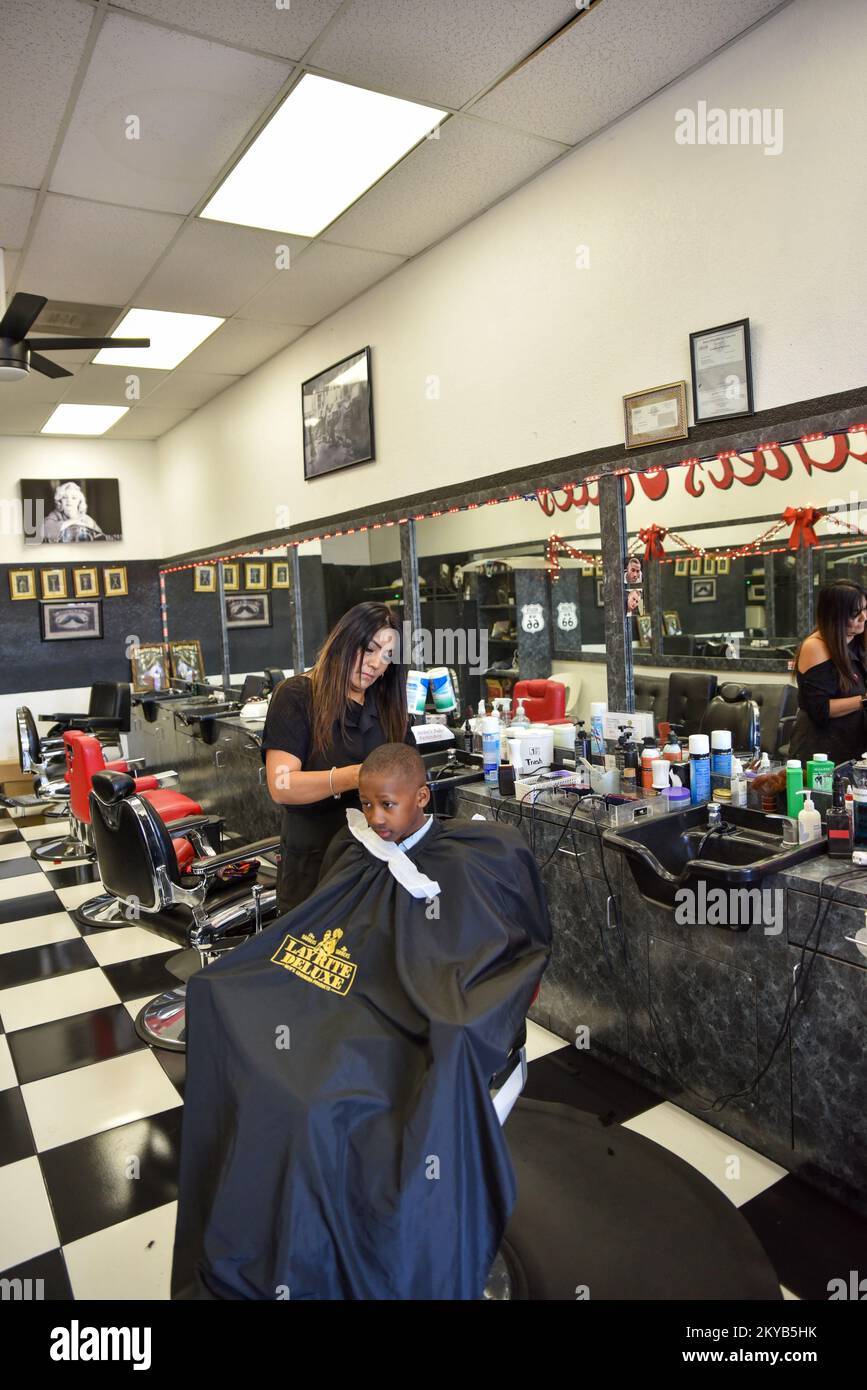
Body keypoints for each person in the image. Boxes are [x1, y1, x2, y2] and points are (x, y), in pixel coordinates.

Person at [262, 602, 411, 913]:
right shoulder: (297, 695)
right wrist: (358, 776)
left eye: (386, 657)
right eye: (368, 650)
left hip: (375, 864)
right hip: (314, 864)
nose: (375, 664)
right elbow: (281, 785)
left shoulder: (386, 706)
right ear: (344, 641)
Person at [789, 579, 867, 765]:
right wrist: (864, 700)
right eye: (855, 613)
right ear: (835, 616)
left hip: (854, 746)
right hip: (821, 753)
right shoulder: (815, 647)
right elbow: (820, 709)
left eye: (865, 609)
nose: (864, 617)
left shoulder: (856, 640)